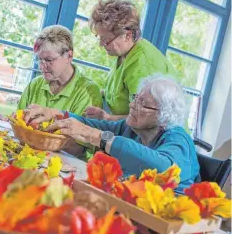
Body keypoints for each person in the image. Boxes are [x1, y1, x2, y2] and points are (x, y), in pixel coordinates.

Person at [24, 76, 199, 190]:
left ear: (164, 116)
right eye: (135, 99)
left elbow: (163, 167)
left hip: (165, 220)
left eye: (142, 104)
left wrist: (96, 136)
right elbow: (91, 124)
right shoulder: (130, 128)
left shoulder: (177, 138)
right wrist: (54, 113)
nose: (132, 106)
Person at [84, 0, 175, 121]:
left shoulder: (143, 66)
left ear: (128, 35)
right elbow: (115, 93)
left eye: (106, 40)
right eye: (100, 38)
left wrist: (107, 118)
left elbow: (144, 120)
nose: (101, 44)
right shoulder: (123, 53)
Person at [18, 25, 102, 116]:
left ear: (69, 56)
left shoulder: (89, 91)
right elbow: (18, 120)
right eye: (39, 59)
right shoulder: (35, 85)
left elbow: (83, 129)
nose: (41, 66)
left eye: (49, 60)